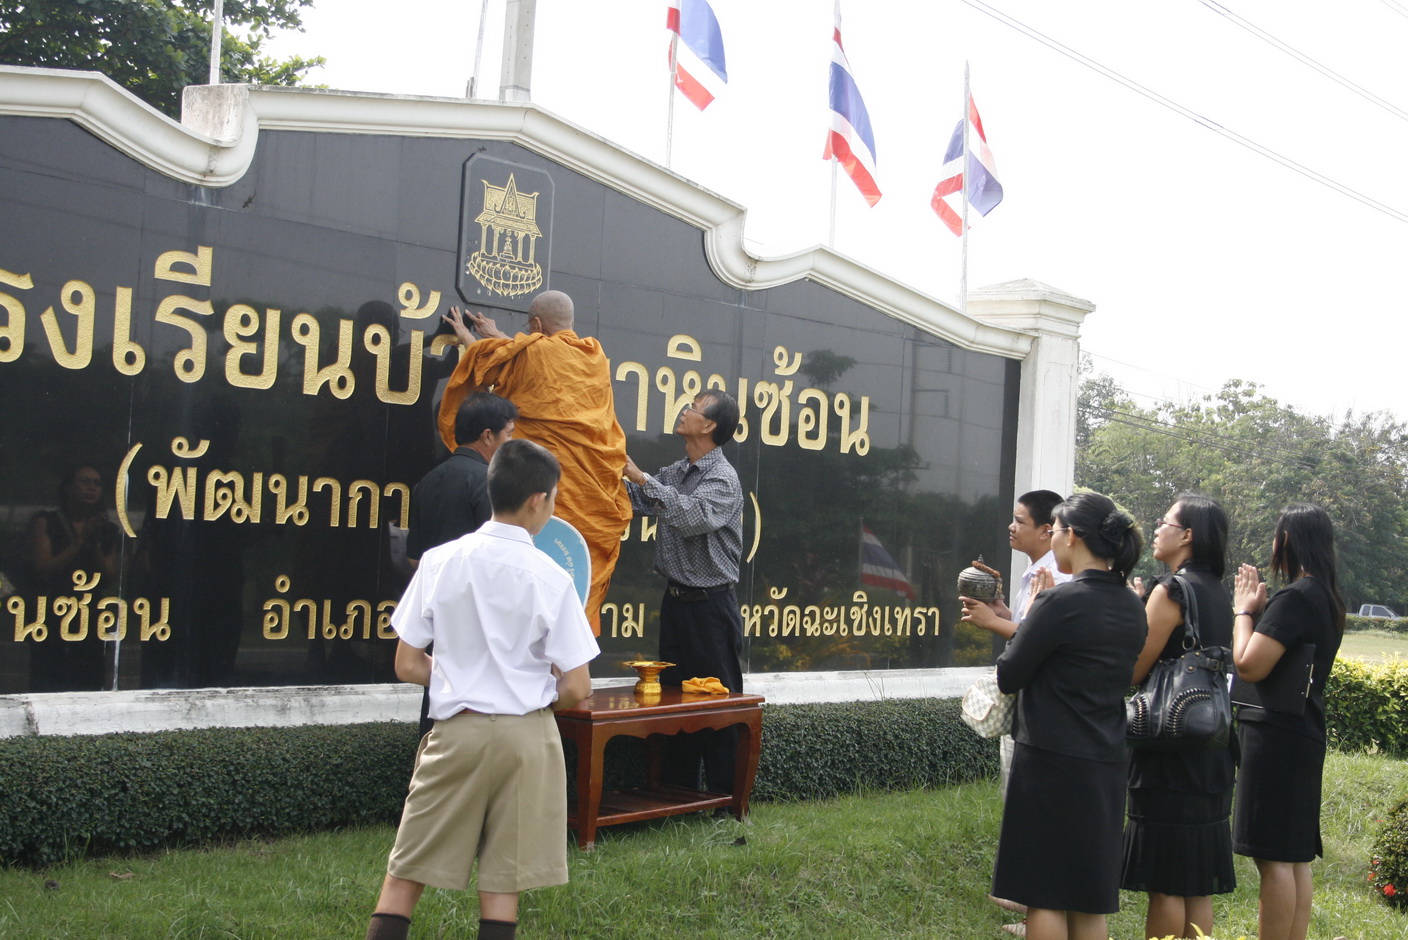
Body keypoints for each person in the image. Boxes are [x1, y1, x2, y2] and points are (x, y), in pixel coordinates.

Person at [364, 439, 598, 940]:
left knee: (404, 873)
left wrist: (458, 676)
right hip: (527, 739)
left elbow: (407, 663)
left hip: (457, 732)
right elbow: (578, 685)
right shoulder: (552, 577)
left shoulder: (439, 561)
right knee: (503, 885)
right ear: (538, 500)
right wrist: (535, 693)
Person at [990, 492, 1146, 940]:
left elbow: (1009, 674)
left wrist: (1033, 611)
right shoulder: (1132, 604)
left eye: (1056, 531)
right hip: (1106, 759)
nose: (1054, 539)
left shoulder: (1060, 601)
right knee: (1087, 897)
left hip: (1050, 760)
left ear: (1072, 535)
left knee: (1044, 893)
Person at [439, 290, 632, 635]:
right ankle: (572, 655)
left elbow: (492, 363)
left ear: (537, 324)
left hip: (546, 493)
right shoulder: (595, 357)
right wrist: (503, 339)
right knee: (576, 586)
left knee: (533, 590)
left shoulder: (531, 352)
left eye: (530, 328)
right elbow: (534, 357)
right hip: (588, 496)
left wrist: (469, 337)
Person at [1121, 495, 1236, 940]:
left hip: (1168, 748)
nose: (1156, 528)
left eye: (1164, 521)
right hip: (1210, 747)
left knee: (1166, 881)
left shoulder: (1170, 590)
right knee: (1195, 881)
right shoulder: (1218, 591)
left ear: (1187, 535)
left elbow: (1135, 669)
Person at [1231, 502, 1345, 940]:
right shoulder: (1327, 597)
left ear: (1286, 541)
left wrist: (1244, 612)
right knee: (1294, 856)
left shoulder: (1295, 597)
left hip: (1276, 736)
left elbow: (1248, 665)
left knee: (1273, 857)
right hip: (1304, 731)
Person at [959, 489, 1072, 934]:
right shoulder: (1034, 572)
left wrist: (995, 623)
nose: (1011, 527)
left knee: (1036, 811)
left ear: (1047, 530)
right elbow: (1025, 628)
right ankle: (1030, 898)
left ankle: (1039, 910)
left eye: (1020, 521)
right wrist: (1004, 612)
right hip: (1029, 706)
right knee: (1020, 802)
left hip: (1042, 710)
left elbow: (1039, 643)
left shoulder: (1055, 576)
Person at [622, 389, 744, 793]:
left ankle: (726, 798)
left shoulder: (722, 477)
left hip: (711, 609)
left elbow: (693, 517)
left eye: (693, 408)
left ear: (709, 425)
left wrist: (643, 479)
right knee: (673, 700)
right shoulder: (678, 471)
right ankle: (677, 793)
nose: (684, 411)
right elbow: (638, 499)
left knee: (716, 703)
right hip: (675, 604)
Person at [405, 391, 518, 737]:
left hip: (437, 615)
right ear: (488, 436)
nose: (510, 443)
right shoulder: (491, 484)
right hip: (480, 622)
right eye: (508, 434)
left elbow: (414, 559)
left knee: (435, 706)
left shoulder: (426, 482)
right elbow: (498, 558)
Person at [27, 464, 121, 692]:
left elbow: (108, 577)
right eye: (85, 482)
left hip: (91, 613)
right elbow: (42, 569)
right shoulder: (46, 522)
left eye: (97, 484)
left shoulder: (107, 529)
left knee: (89, 679)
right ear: (68, 488)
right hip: (52, 610)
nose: (92, 488)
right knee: (49, 679)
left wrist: (94, 543)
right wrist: (80, 542)